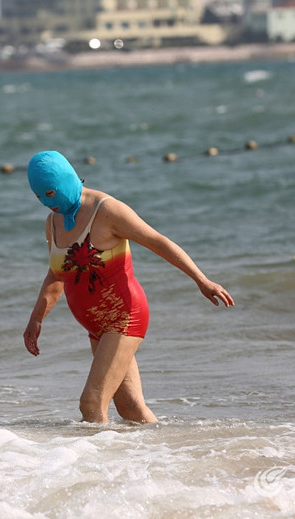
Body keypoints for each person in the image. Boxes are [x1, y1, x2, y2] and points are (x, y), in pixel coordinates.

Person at [23, 150, 234, 424]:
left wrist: (201, 280)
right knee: (132, 410)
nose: (46, 202)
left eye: (50, 193)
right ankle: (167, 456)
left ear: (66, 179)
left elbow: (158, 242)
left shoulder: (107, 210)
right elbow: (56, 275)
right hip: (96, 327)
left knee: (91, 402)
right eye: (39, 196)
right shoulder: (53, 222)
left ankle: (94, 466)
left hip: (124, 317)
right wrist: (36, 319)